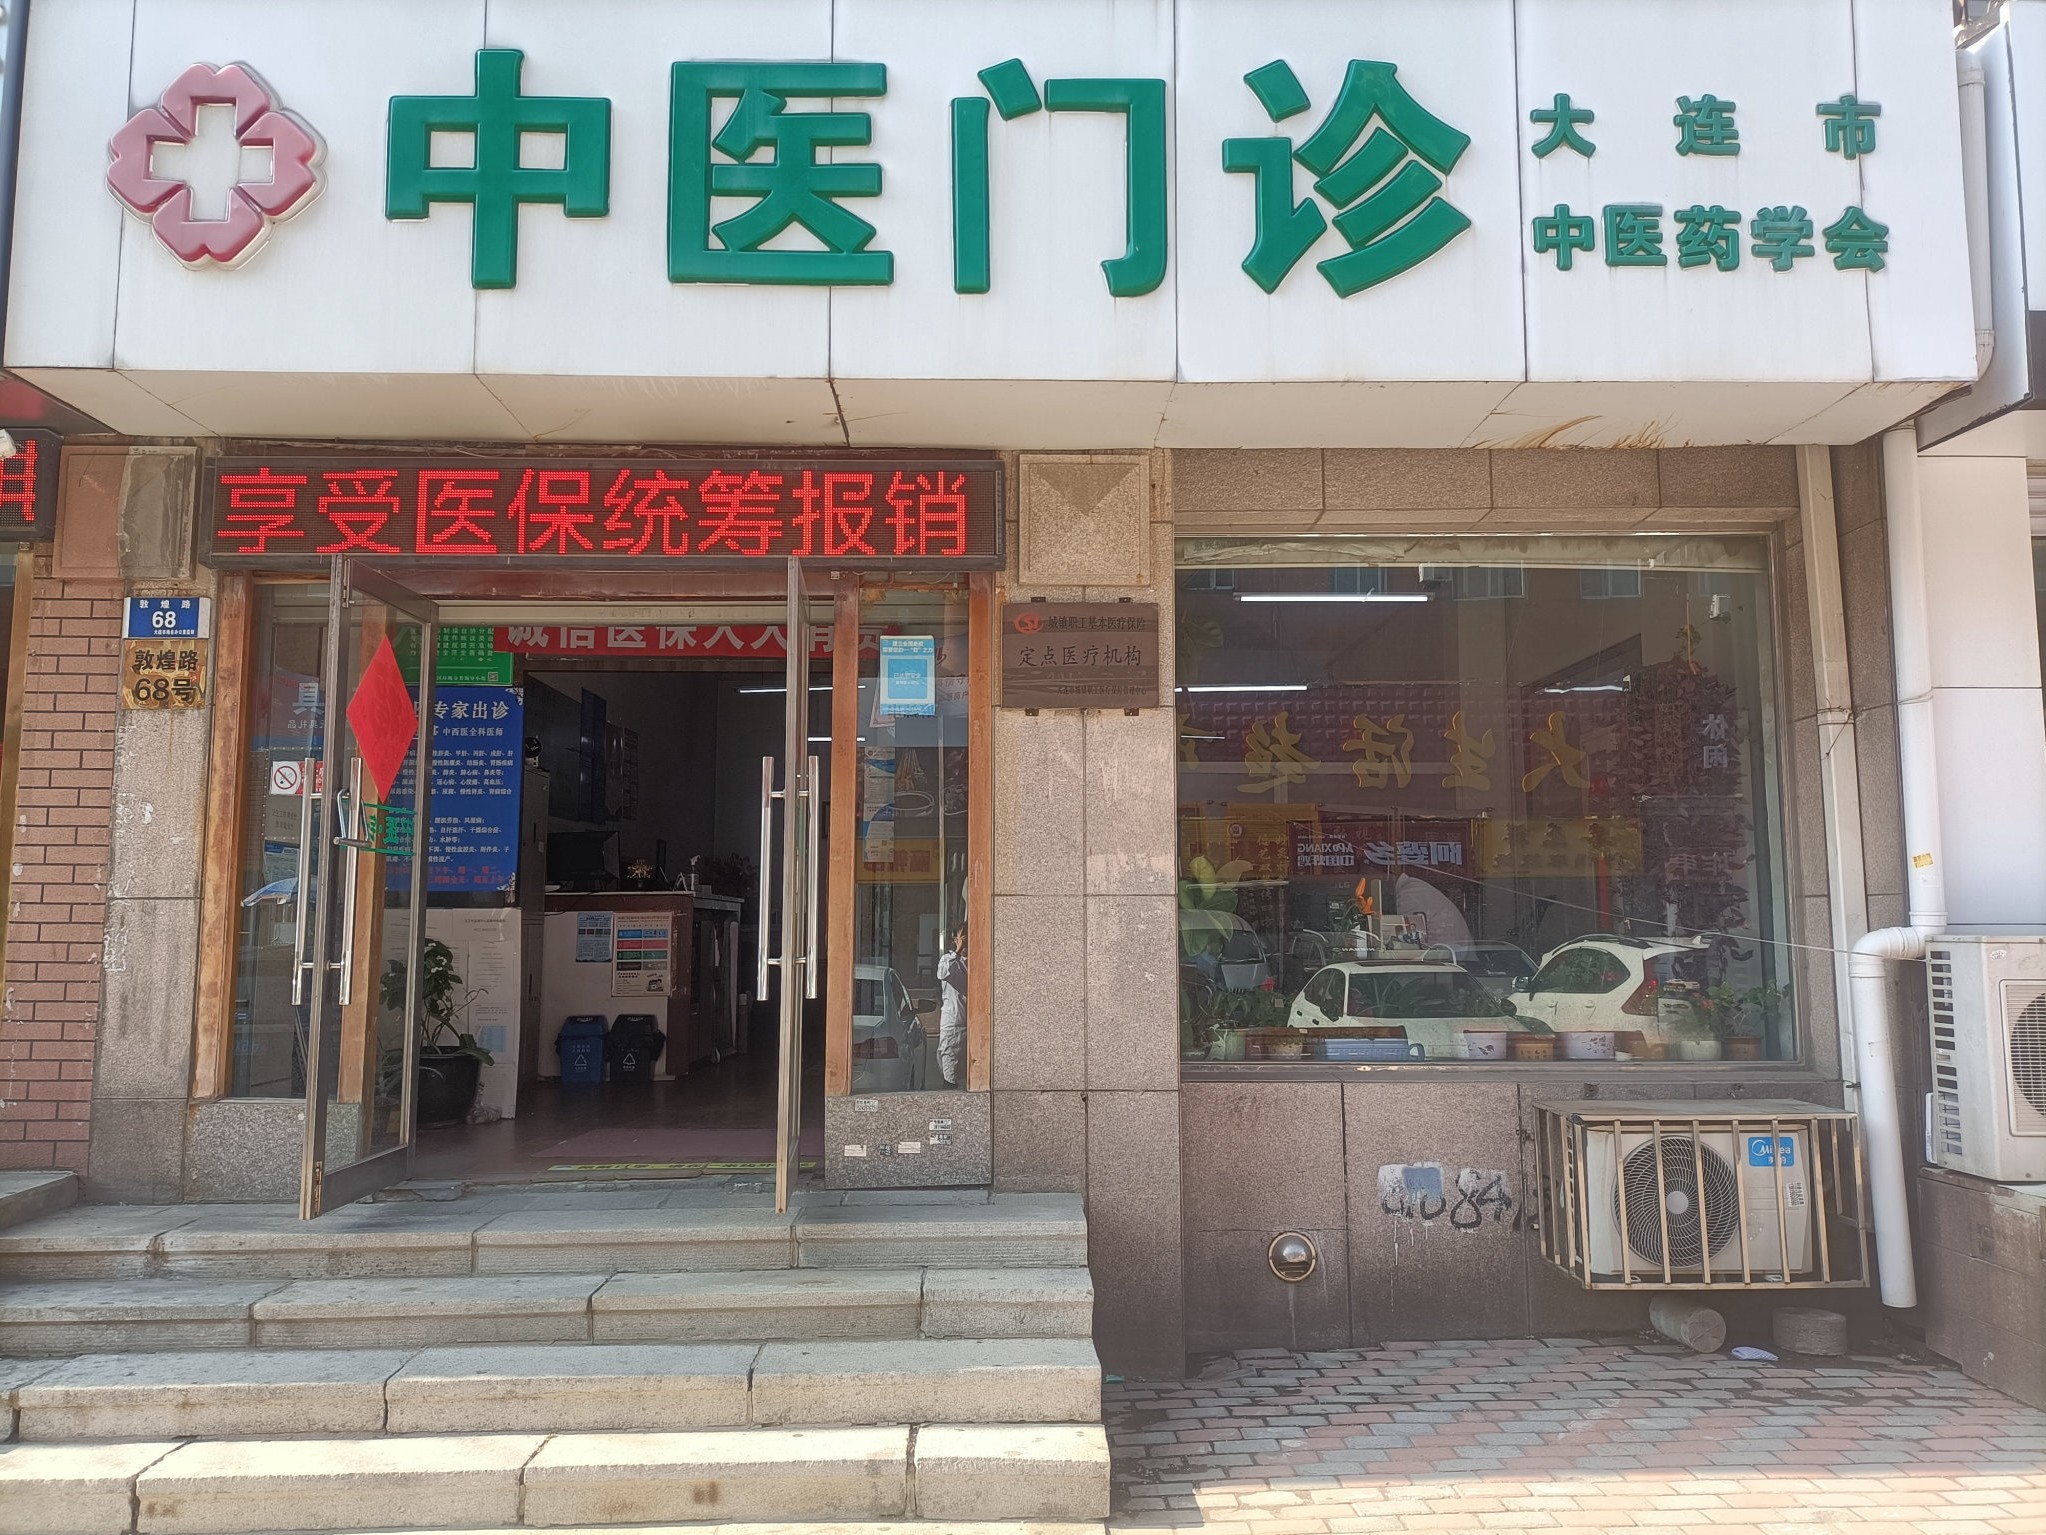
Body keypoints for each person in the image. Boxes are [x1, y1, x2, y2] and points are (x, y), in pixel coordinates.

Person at [936, 923, 968, 1088]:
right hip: (953, 1021)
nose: (965, 941)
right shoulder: (948, 959)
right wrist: (958, 950)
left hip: (971, 1022)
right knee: (949, 1060)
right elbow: (942, 973)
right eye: (961, 937)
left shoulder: (974, 961)